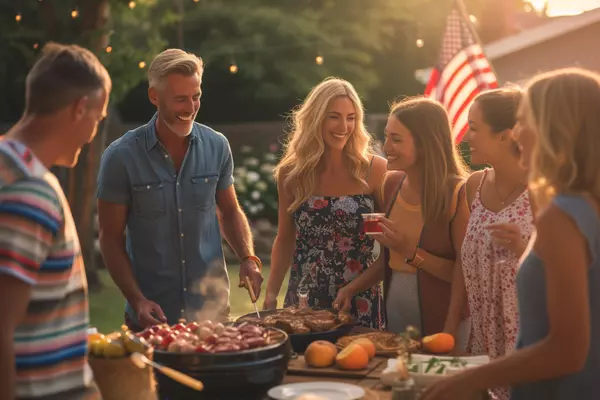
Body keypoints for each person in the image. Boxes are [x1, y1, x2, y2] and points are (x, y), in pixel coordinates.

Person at [421, 67, 600, 400]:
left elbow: (567, 349)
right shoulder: (588, 205)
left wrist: (467, 379)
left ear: (555, 129)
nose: (516, 134)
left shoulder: (561, 216)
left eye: (525, 120)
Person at [97, 49, 263, 330]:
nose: (191, 107)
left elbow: (230, 211)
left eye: (196, 96)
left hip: (213, 316)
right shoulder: (120, 157)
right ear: (154, 97)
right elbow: (110, 240)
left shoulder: (217, 146)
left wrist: (248, 258)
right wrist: (137, 300)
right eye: (180, 99)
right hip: (151, 317)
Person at [0, 43, 109, 399]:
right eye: (99, 117)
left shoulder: (11, 168)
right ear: (80, 109)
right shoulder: (28, 190)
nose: (94, 133)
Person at [334, 97, 471, 343]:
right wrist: (351, 289)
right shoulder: (391, 184)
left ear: (426, 144)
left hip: (445, 319)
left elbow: (464, 273)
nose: (386, 147)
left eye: (396, 140)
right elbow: (388, 259)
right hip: (396, 311)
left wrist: (410, 251)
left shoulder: (458, 193)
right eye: (386, 136)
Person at [263, 77, 388, 329]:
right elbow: (285, 238)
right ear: (316, 118)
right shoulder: (291, 173)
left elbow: (388, 248)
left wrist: (353, 288)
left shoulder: (375, 170)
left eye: (351, 117)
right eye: (334, 116)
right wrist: (271, 294)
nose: (344, 126)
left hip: (360, 297)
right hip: (304, 299)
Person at [444, 88, 534, 399]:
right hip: (481, 339)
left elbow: (569, 270)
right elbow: (462, 260)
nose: (467, 137)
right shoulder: (473, 186)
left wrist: (525, 249)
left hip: (527, 342)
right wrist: (452, 325)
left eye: (475, 128)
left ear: (506, 136)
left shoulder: (542, 190)